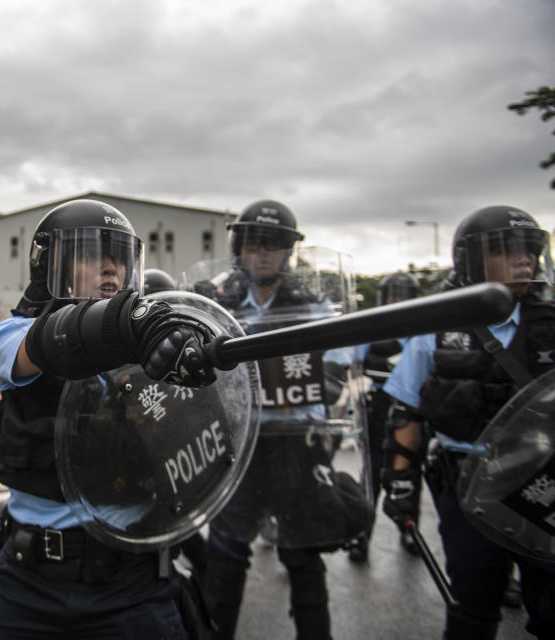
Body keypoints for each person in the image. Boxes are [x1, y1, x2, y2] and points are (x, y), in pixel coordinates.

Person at [0, 199, 223, 639]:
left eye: (118, 256)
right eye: (89, 253)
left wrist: (195, 341)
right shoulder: (12, 336)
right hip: (27, 582)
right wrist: (132, 322)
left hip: (131, 579)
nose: (110, 268)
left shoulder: (149, 349)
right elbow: (53, 340)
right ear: (49, 264)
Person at [381, 205, 555, 639]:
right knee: (472, 613)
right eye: (508, 249)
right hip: (467, 491)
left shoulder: (553, 325)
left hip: (543, 485)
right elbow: (407, 414)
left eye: (531, 250)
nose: (525, 259)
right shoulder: (436, 329)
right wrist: (400, 488)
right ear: (472, 261)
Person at [199, 200, 366, 640]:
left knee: (302, 552)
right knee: (226, 552)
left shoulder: (312, 304)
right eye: (254, 242)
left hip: (295, 444)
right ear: (239, 247)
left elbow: (334, 366)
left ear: (289, 251)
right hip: (239, 445)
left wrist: (305, 394)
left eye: (274, 244)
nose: (264, 252)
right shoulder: (219, 302)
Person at [347, 271, 423, 563]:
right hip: (378, 409)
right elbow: (352, 363)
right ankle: (362, 535)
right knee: (372, 476)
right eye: (393, 295)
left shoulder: (423, 333)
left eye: (404, 295)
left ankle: (409, 528)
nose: (398, 301)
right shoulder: (373, 329)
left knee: (409, 474)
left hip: (413, 412)